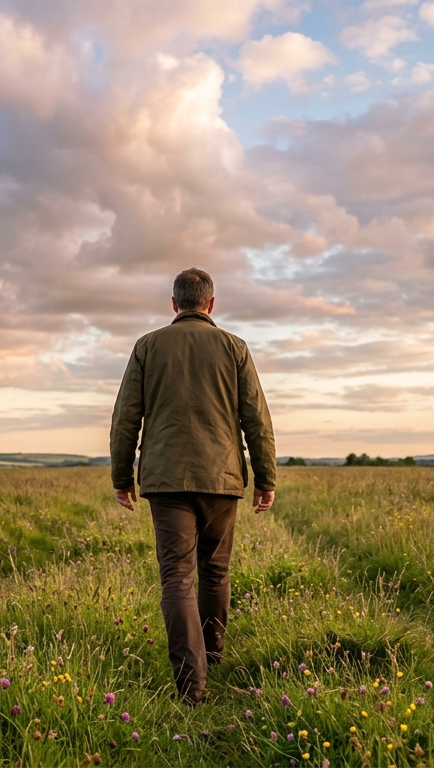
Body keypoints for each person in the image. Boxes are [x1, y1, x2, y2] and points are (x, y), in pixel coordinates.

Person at [109, 267, 276, 704]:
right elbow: (256, 418)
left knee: (177, 578)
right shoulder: (234, 347)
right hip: (222, 479)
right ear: (211, 304)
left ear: (174, 304)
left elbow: (126, 417)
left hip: (166, 480)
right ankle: (213, 656)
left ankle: (191, 685)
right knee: (215, 571)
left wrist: (122, 477)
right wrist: (265, 478)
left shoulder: (147, 346)